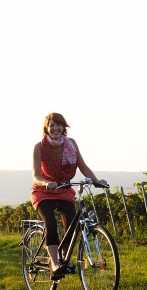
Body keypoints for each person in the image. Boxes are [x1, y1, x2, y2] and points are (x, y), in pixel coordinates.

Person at [31, 112, 107, 279]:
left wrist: (96, 181)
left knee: (71, 227)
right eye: (52, 125)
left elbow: (82, 166)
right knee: (50, 223)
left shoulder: (71, 144)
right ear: (47, 128)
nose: (55, 128)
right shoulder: (39, 147)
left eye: (59, 125)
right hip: (44, 191)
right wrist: (46, 183)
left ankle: (65, 259)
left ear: (63, 127)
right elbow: (36, 174)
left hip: (64, 189)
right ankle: (55, 262)